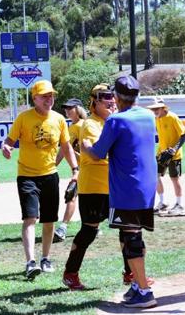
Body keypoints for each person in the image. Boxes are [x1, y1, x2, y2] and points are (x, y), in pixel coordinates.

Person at [82, 75, 158, 308]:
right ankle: (137, 285)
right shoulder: (148, 115)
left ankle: (144, 291)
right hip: (146, 187)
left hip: (127, 189)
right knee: (134, 235)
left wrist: (84, 146)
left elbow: (97, 152)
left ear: (116, 97)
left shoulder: (115, 121)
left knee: (131, 237)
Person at [2, 80, 80, 280]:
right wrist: (6, 147)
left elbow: (66, 147)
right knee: (30, 218)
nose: (49, 99)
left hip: (50, 175)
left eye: (51, 95)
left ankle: (45, 258)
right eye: (44, 96)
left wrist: (75, 169)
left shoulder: (59, 119)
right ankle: (30, 262)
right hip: (27, 175)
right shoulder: (23, 118)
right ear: (34, 98)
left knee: (48, 220)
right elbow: (9, 141)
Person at [62, 85, 115, 290]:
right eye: (105, 98)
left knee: (127, 229)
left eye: (112, 96)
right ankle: (70, 273)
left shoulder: (113, 121)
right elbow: (97, 153)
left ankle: (130, 274)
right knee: (89, 232)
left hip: (114, 187)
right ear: (94, 102)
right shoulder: (91, 124)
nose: (111, 101)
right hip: (94, 187)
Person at [147, 97, 185, 216]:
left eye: (157, 109)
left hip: (174, 155)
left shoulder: (172, 117)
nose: (155, 111)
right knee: (155, 176)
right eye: (153, 109)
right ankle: (162, 202)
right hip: (162, 153)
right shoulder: (157, 119)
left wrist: (175, 149)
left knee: (174, 179)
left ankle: (180, 205)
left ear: (163, 108)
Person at [54, 98, 88, 243]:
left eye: (70, 108)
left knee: (71, 195)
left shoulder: (83, 126)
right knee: (84, 198)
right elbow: (64, 150)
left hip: (86, 168)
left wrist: (72, 154)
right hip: (79, 169)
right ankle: (92, 225)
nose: (67, 111)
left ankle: (63, 228)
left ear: (78, 109)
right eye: (66, 108)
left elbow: (88, 149)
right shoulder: (71, 127)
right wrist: (53, 164)